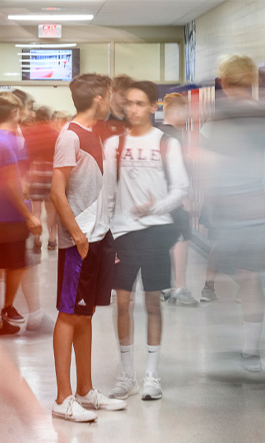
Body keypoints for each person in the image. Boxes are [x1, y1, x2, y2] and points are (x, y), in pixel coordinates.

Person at [103, 81, 190, 401]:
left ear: (154, 106)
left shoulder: (167, 143)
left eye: (140, 103)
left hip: (155, 230)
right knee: (122, 302)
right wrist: (105, 231)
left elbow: (181, 188)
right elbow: (108, 193)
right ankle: (126, 373)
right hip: (123, 233)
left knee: (153, 301)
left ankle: (152, 373)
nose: (133, 109)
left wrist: (154, 207)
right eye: (129, 103)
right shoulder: (114, 144)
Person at [49, 73, 127, 422]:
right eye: (108, 96)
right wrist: (77, 236)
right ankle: (62, 398)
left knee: (86, 313)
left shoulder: (94, 134)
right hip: (78, 241)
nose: (110, 101)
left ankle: (85, 390)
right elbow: (56, 192)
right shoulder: (70, 137)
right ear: (98, 99)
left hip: (99, 236)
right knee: (69, 313)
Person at [198, 54, 265, 381]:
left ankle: (233, 346)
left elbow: (208, 164)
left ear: (225, 83)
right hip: (259, 209)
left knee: (234, 276)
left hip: (229, 210)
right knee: (251, 279)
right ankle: (250, 350)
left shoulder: (219, 117)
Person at [0, 92, 42, 336]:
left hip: (0, 214)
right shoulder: (1, 143)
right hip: (6, 215)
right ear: (14, 113)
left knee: (6, 264)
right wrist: (28, 215)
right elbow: (10, 183)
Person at [159, 93, 198, 307]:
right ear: (175, 111)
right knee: (182, 239)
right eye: (184, 111)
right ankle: (181, 288)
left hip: (160, 197)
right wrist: (185, 199)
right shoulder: (175, 137)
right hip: (174, 198)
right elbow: (177, 170)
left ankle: (165, 287)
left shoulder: (157, 134)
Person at [27, 106, 60, 253]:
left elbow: (27, 156)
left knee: (36, 211)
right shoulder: (55, 134)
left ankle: (36, 239)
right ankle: (52, 239)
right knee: (51, 210)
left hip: (35, 172)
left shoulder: (31, 134)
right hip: (51, 173)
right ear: (49, 118)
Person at [95, 74, 131, 141]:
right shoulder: (101, 116)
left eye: (128, 96)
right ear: (113, 91)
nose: (125, 99)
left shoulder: (131, 117)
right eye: (122, 95)